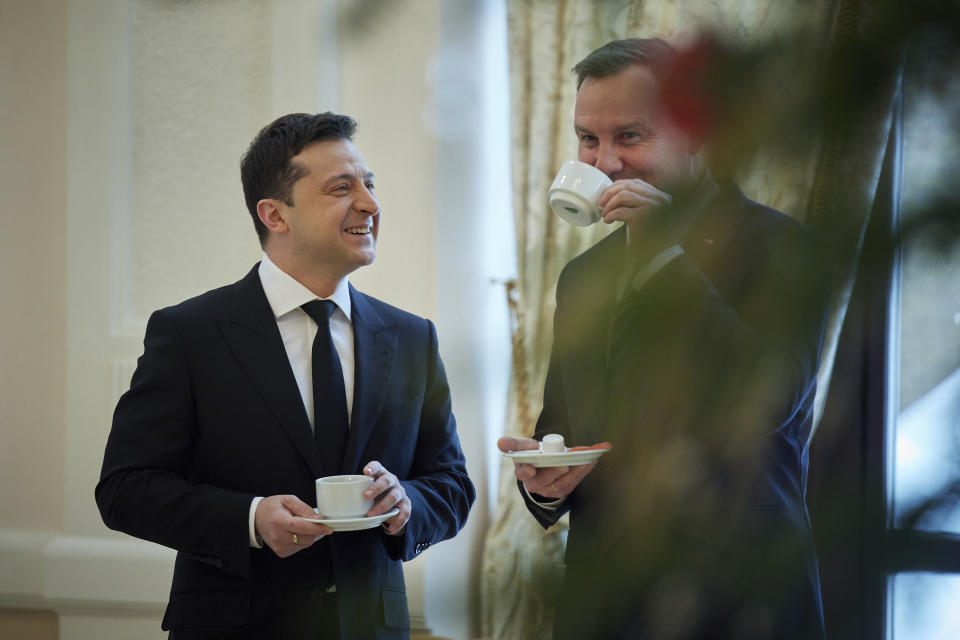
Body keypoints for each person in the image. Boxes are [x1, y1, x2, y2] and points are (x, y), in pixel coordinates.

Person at [498, 38, 831, 639]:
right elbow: (568, 432)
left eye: (630, 136)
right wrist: (547, 486)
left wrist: (664, 260)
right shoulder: (584, 276)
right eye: (587, 139)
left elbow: (768, 401)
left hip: (739, 605)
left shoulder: (786, 248)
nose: (604, 164)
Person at [96, 112, 475, 640]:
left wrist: (406, 504)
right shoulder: (190, 334)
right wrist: (248, 520)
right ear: (275, 215)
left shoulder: (413, 337)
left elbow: (452, 485)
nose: (369, 203)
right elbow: (124, 489)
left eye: (369, 184)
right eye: (342, 188)